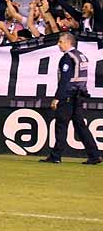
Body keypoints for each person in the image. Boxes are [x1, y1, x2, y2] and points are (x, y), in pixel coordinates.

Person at [42, 32, 101, 165]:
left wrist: (57, 98)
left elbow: (65, 80)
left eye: (60, 42)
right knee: (81, 127)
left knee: (61, 125)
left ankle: (56, 156)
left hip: (68, 96)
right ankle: (94, 155)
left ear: (68, 42)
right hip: (79, 96)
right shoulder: (81, 56)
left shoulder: (67, 58)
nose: (58, 44)